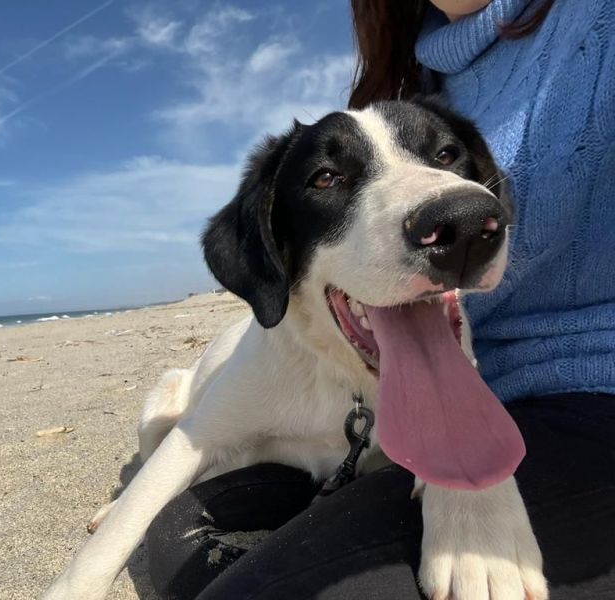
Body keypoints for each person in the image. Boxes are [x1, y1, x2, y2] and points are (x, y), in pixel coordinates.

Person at [143, 1, 615, 598]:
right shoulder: (409, 79)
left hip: (588, 397)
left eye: (445, 157)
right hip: (436, 373)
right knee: (182, 542)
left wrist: (463, 478)